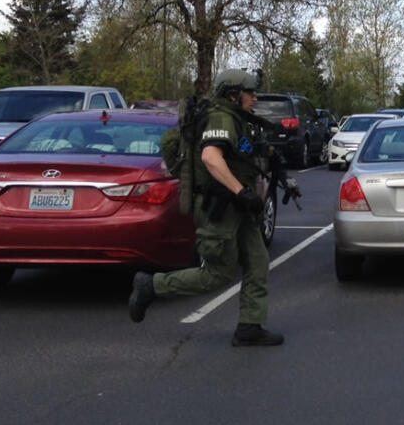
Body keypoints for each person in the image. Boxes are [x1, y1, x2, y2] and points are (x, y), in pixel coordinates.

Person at [128, 68, 299, 347]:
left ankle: (249, 326)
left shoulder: (234, 118)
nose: (254, 98)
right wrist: (242, 193)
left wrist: (274, 162)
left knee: (258, 261)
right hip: (217, 206)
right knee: (217, 273)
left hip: (237, 207)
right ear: (233, 94)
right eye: (249, 93)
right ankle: (152, 286)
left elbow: (244, 151)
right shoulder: (221, 117)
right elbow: (211, 157)